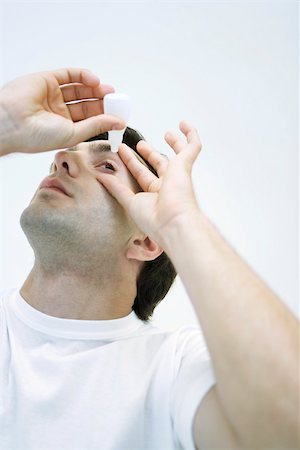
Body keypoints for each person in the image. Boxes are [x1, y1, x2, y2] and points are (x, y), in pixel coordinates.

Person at [0, 68, 298, 450]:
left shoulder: (174, 369)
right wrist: (5, 123)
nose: (61, 160)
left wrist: (179, 221)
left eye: (106, 166)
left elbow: (288, 427)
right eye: (64, 156)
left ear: (145, 241)